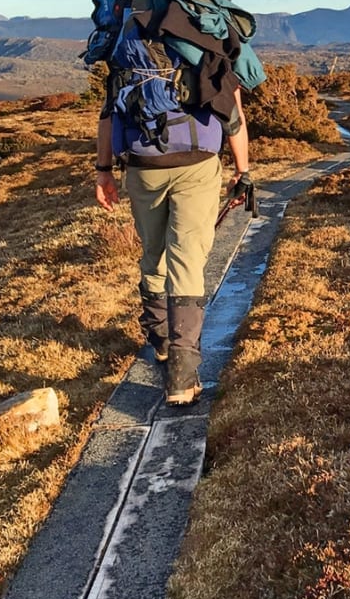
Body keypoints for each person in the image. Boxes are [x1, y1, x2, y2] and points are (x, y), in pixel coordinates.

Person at [94, 61, 252, 407]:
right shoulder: (205, 46)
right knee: (187, 260)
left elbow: (109, 113)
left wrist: (103, 171)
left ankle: (162, 341)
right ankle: (181, 376)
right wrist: (243, 171)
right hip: (197, 164)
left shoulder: (130, 47)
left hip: (142, 166)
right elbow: (233, 113)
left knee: (154, 254)